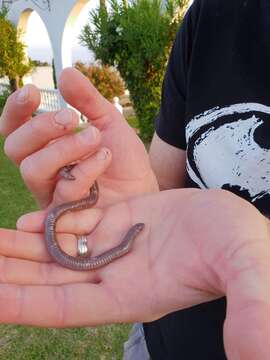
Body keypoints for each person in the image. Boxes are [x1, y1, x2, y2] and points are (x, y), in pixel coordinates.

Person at [0, 0, 270, 357]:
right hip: (156, 339)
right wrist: (137, 201)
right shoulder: (216, 13)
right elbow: (160, 189)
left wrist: (253, 246)